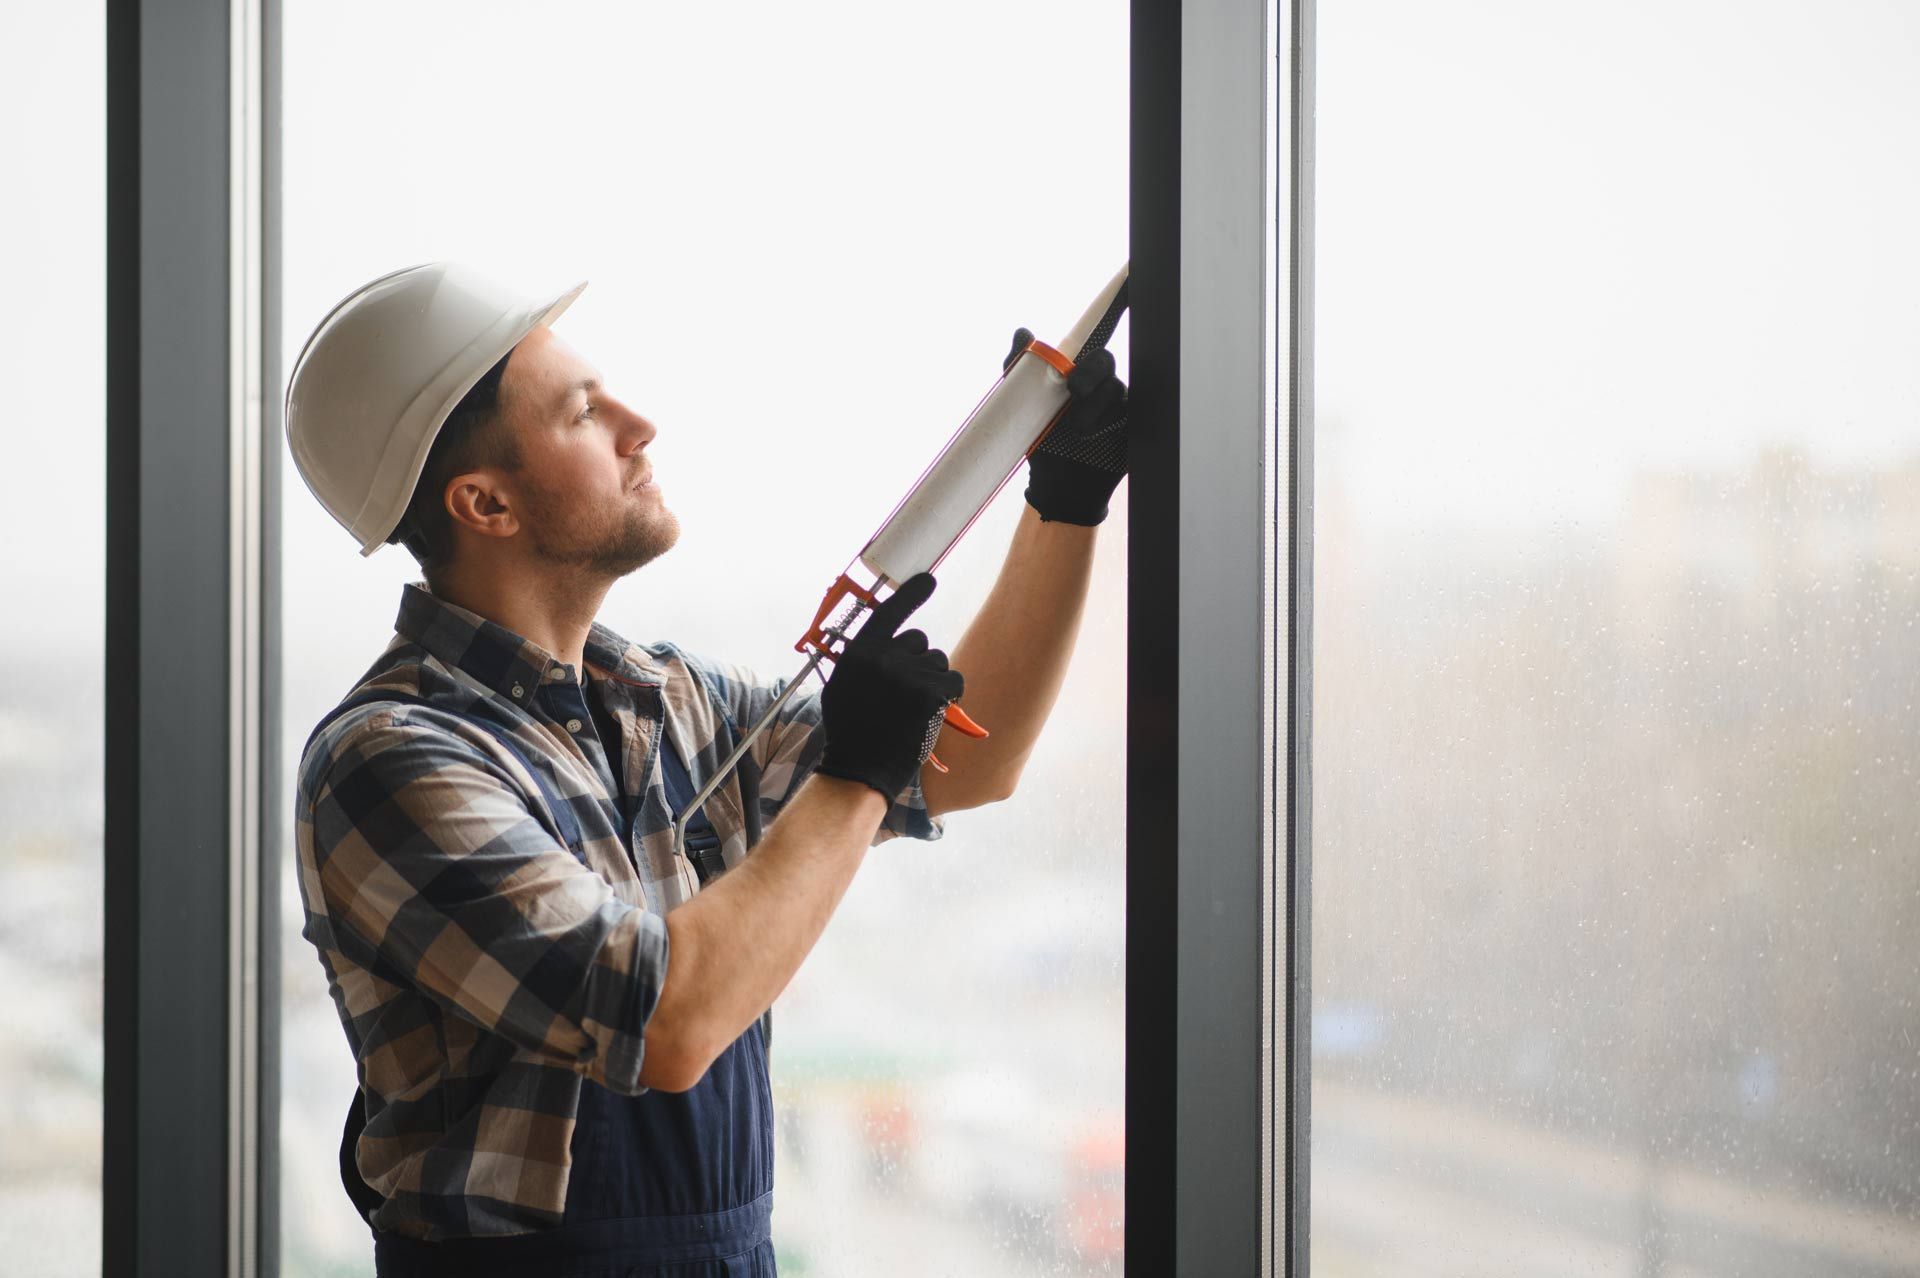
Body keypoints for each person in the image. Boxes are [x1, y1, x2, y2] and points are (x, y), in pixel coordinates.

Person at [285, 263, 1129, 1276]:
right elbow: (665, 1023)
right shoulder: (390, 761)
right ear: (485, 503)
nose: (640, 426)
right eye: (584, 413)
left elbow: (965, 758)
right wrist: (856, 768)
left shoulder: (668, 701)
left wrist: (1065, 500)